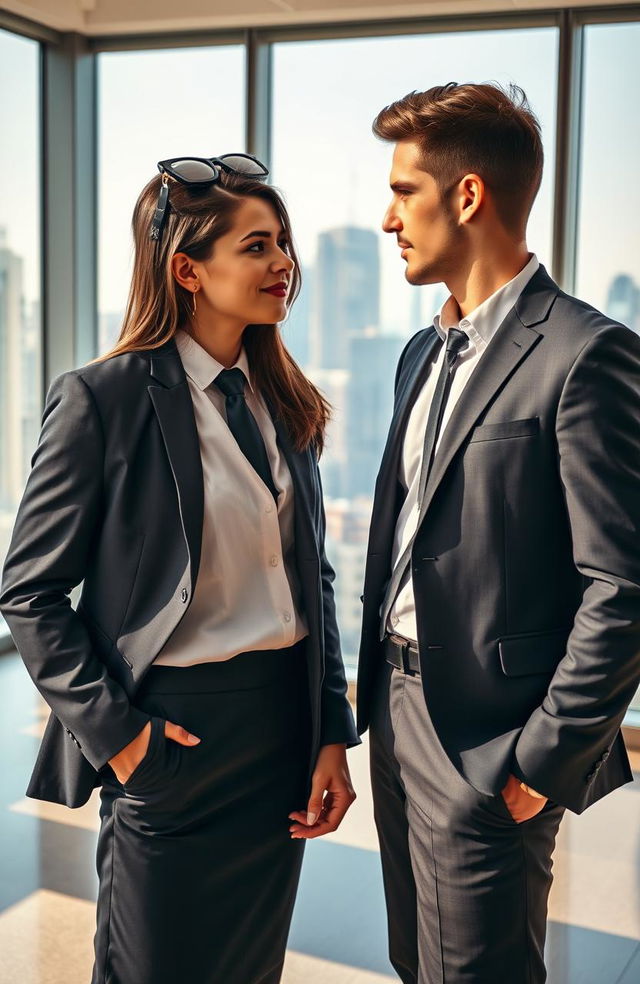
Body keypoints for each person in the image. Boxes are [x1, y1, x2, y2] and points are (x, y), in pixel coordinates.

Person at [0, 153, 358, 984]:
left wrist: (331, 732)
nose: (284, 265)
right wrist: (124, 742)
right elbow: (29, 590)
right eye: (258, 246)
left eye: (284, 244)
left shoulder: (284, 401)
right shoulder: (104, 398)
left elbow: (315, 584)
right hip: (173, 739)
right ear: (187, 269)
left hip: (279, 737)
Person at [356, 83, 640, 984]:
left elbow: (624, 584)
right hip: (398, 717)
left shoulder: (586, 353)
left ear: (467, 195)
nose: (387, 217)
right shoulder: (418, 351)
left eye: (405, 191)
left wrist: (543, 759)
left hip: (490, 740)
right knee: (418, 963)